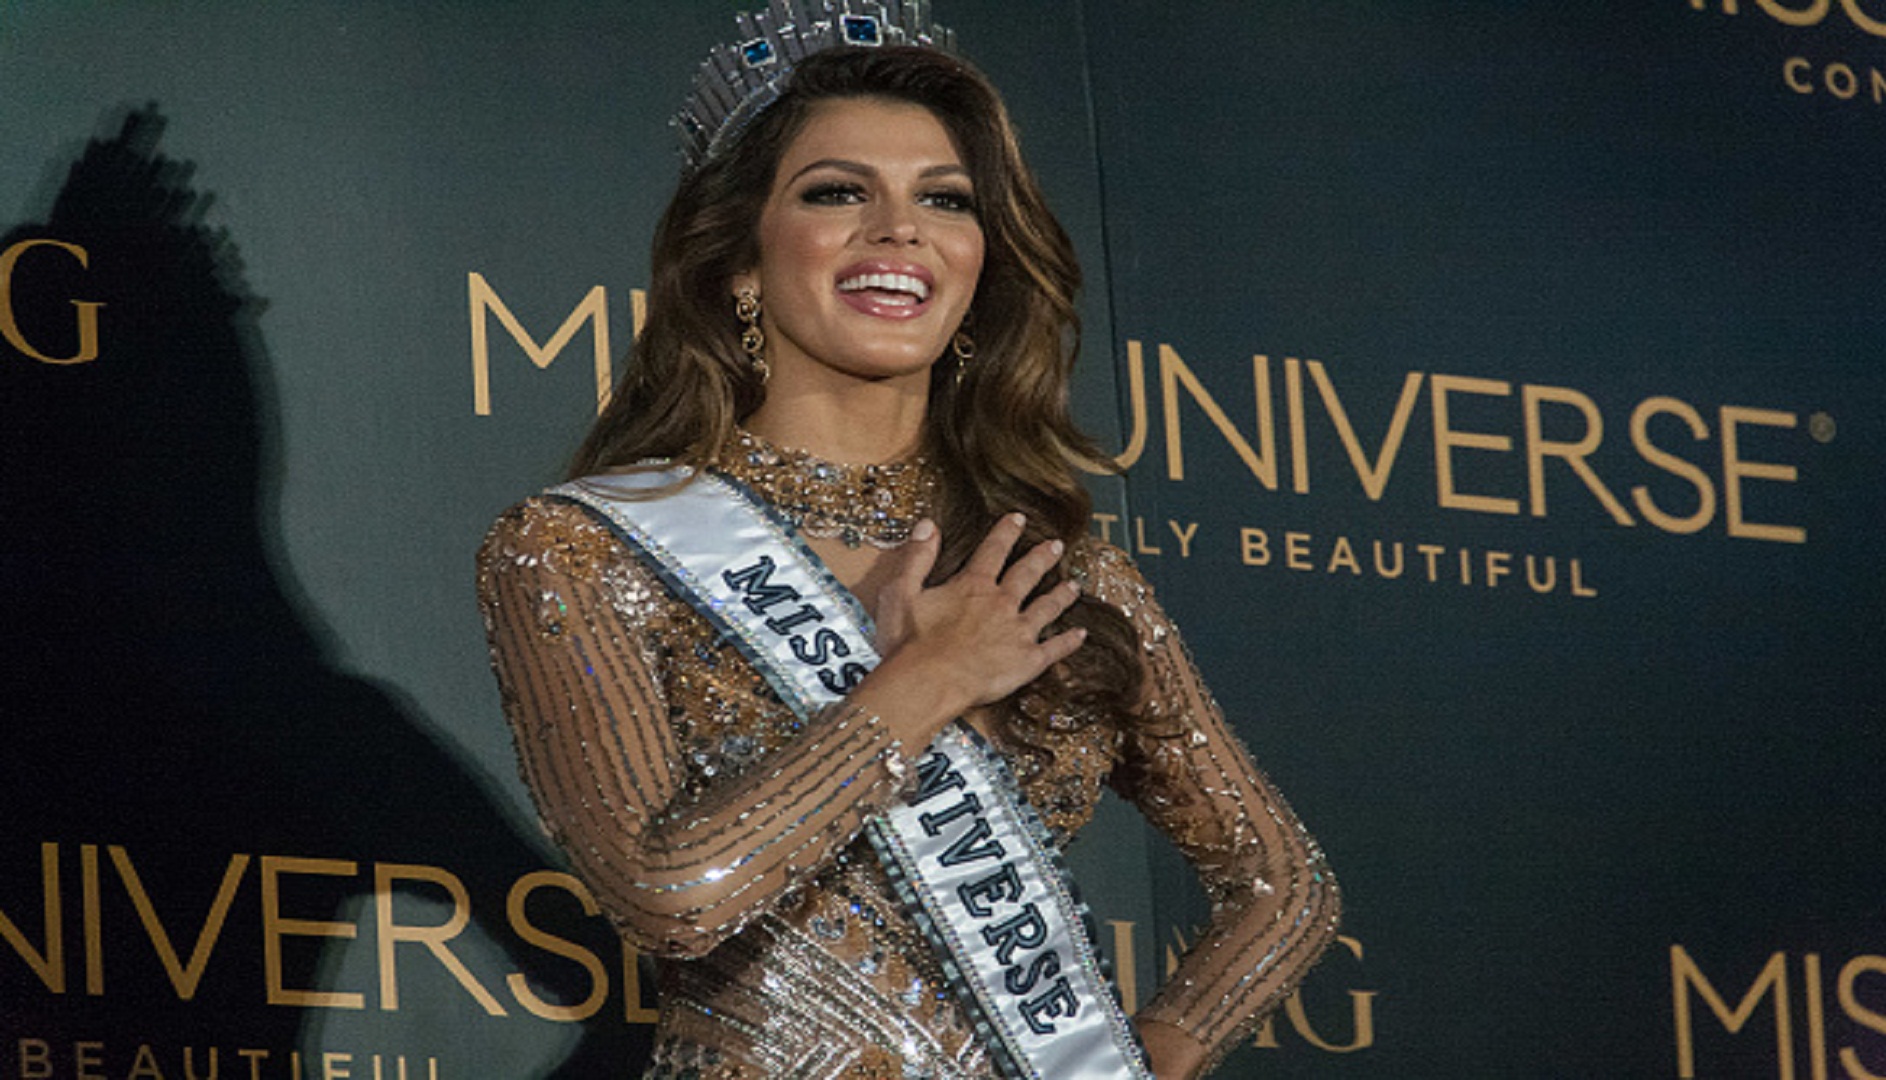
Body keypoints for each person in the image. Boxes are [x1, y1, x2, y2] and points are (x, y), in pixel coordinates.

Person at [476, 6, 1339, 1077]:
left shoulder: (1054, 574)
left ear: (981, 264)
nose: (901, 231)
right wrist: (924, 684)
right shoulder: (585, 549)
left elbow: (1284, 886)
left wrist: (1151, 1057)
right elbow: (672, 898)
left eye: (946, 199)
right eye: (838, 193)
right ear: (739, 257)